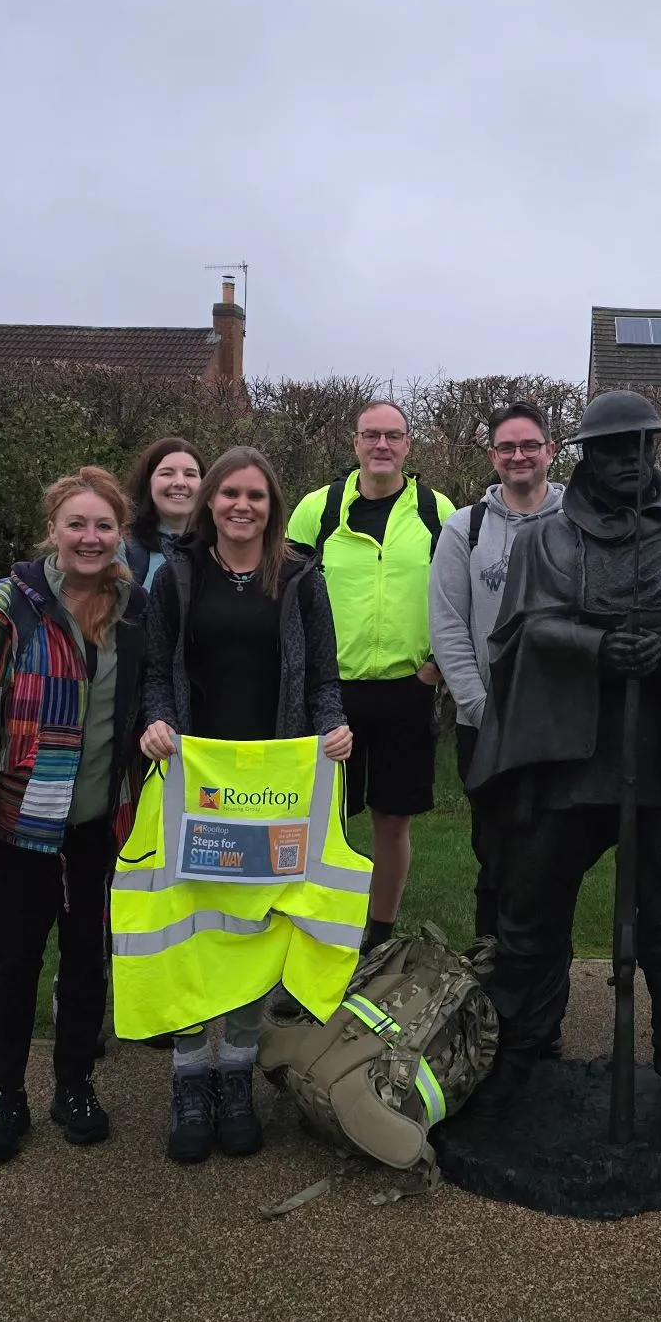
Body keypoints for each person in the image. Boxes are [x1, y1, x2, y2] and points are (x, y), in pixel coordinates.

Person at [465, 390, 661, 1130]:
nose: (630, 462)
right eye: (613, 449)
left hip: (658, 760)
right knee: (528, 916)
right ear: (587, 457)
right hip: (564, 758)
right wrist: (595, 647)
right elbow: (519, 634)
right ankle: (520, 1056)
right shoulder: (545, 540)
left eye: (640, 447)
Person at [138, 447, 351, 1164]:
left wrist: (333, 726)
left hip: (275, 783)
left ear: (272, 504)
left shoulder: (299, 578)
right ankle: (190, 1078)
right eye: (229, 493)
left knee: (254, 927)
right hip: (196, 780)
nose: (241, 506)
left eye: (255, 496)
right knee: (197, 925)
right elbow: (155, 669)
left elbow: (324, 673)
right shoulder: (177, 576)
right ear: (210, 503)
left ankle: (237, 1074)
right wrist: (157, 720)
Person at [0, 466, 148, 1167]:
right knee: (14, 960)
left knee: (88, 958)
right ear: (53, 530)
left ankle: (74, 1086)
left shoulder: (134, 608)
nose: (90, 538)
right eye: (77, 524)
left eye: (103, 525)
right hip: (19, 823)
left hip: (102, 822)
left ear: (121, 533)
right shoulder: (0, 609)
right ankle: (6, 1096)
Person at [287, 400, 455, 953]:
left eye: (394, 436)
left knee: (392, 819)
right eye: (371, 435)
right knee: (319, 823)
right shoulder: (318, 509)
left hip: (409, 689)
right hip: (330, 693)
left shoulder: (437, 512)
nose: (382, 445)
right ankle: (318, 933)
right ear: (355, 443)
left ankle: (377, 937)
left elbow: (457, 596)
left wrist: (434, 668)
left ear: (409, 445)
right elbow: (286, 599)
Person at [427, 401, 564, 941]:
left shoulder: (580, 519)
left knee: (554, 859)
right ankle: (491, 976)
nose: (519, 455)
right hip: (486, 726)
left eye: (530, 444)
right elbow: (447, 624)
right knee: (496, 853)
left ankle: (543, 987)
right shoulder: (467, 527)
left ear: (550, 451)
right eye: (507, 447)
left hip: (564, 728)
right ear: (492, 455)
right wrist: (482, 709)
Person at [122, 437, 205, 589]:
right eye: (167, 473)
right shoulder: (121, 545)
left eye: (190, 474)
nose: (180, 482)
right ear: (148, 481)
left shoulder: (218, 549)